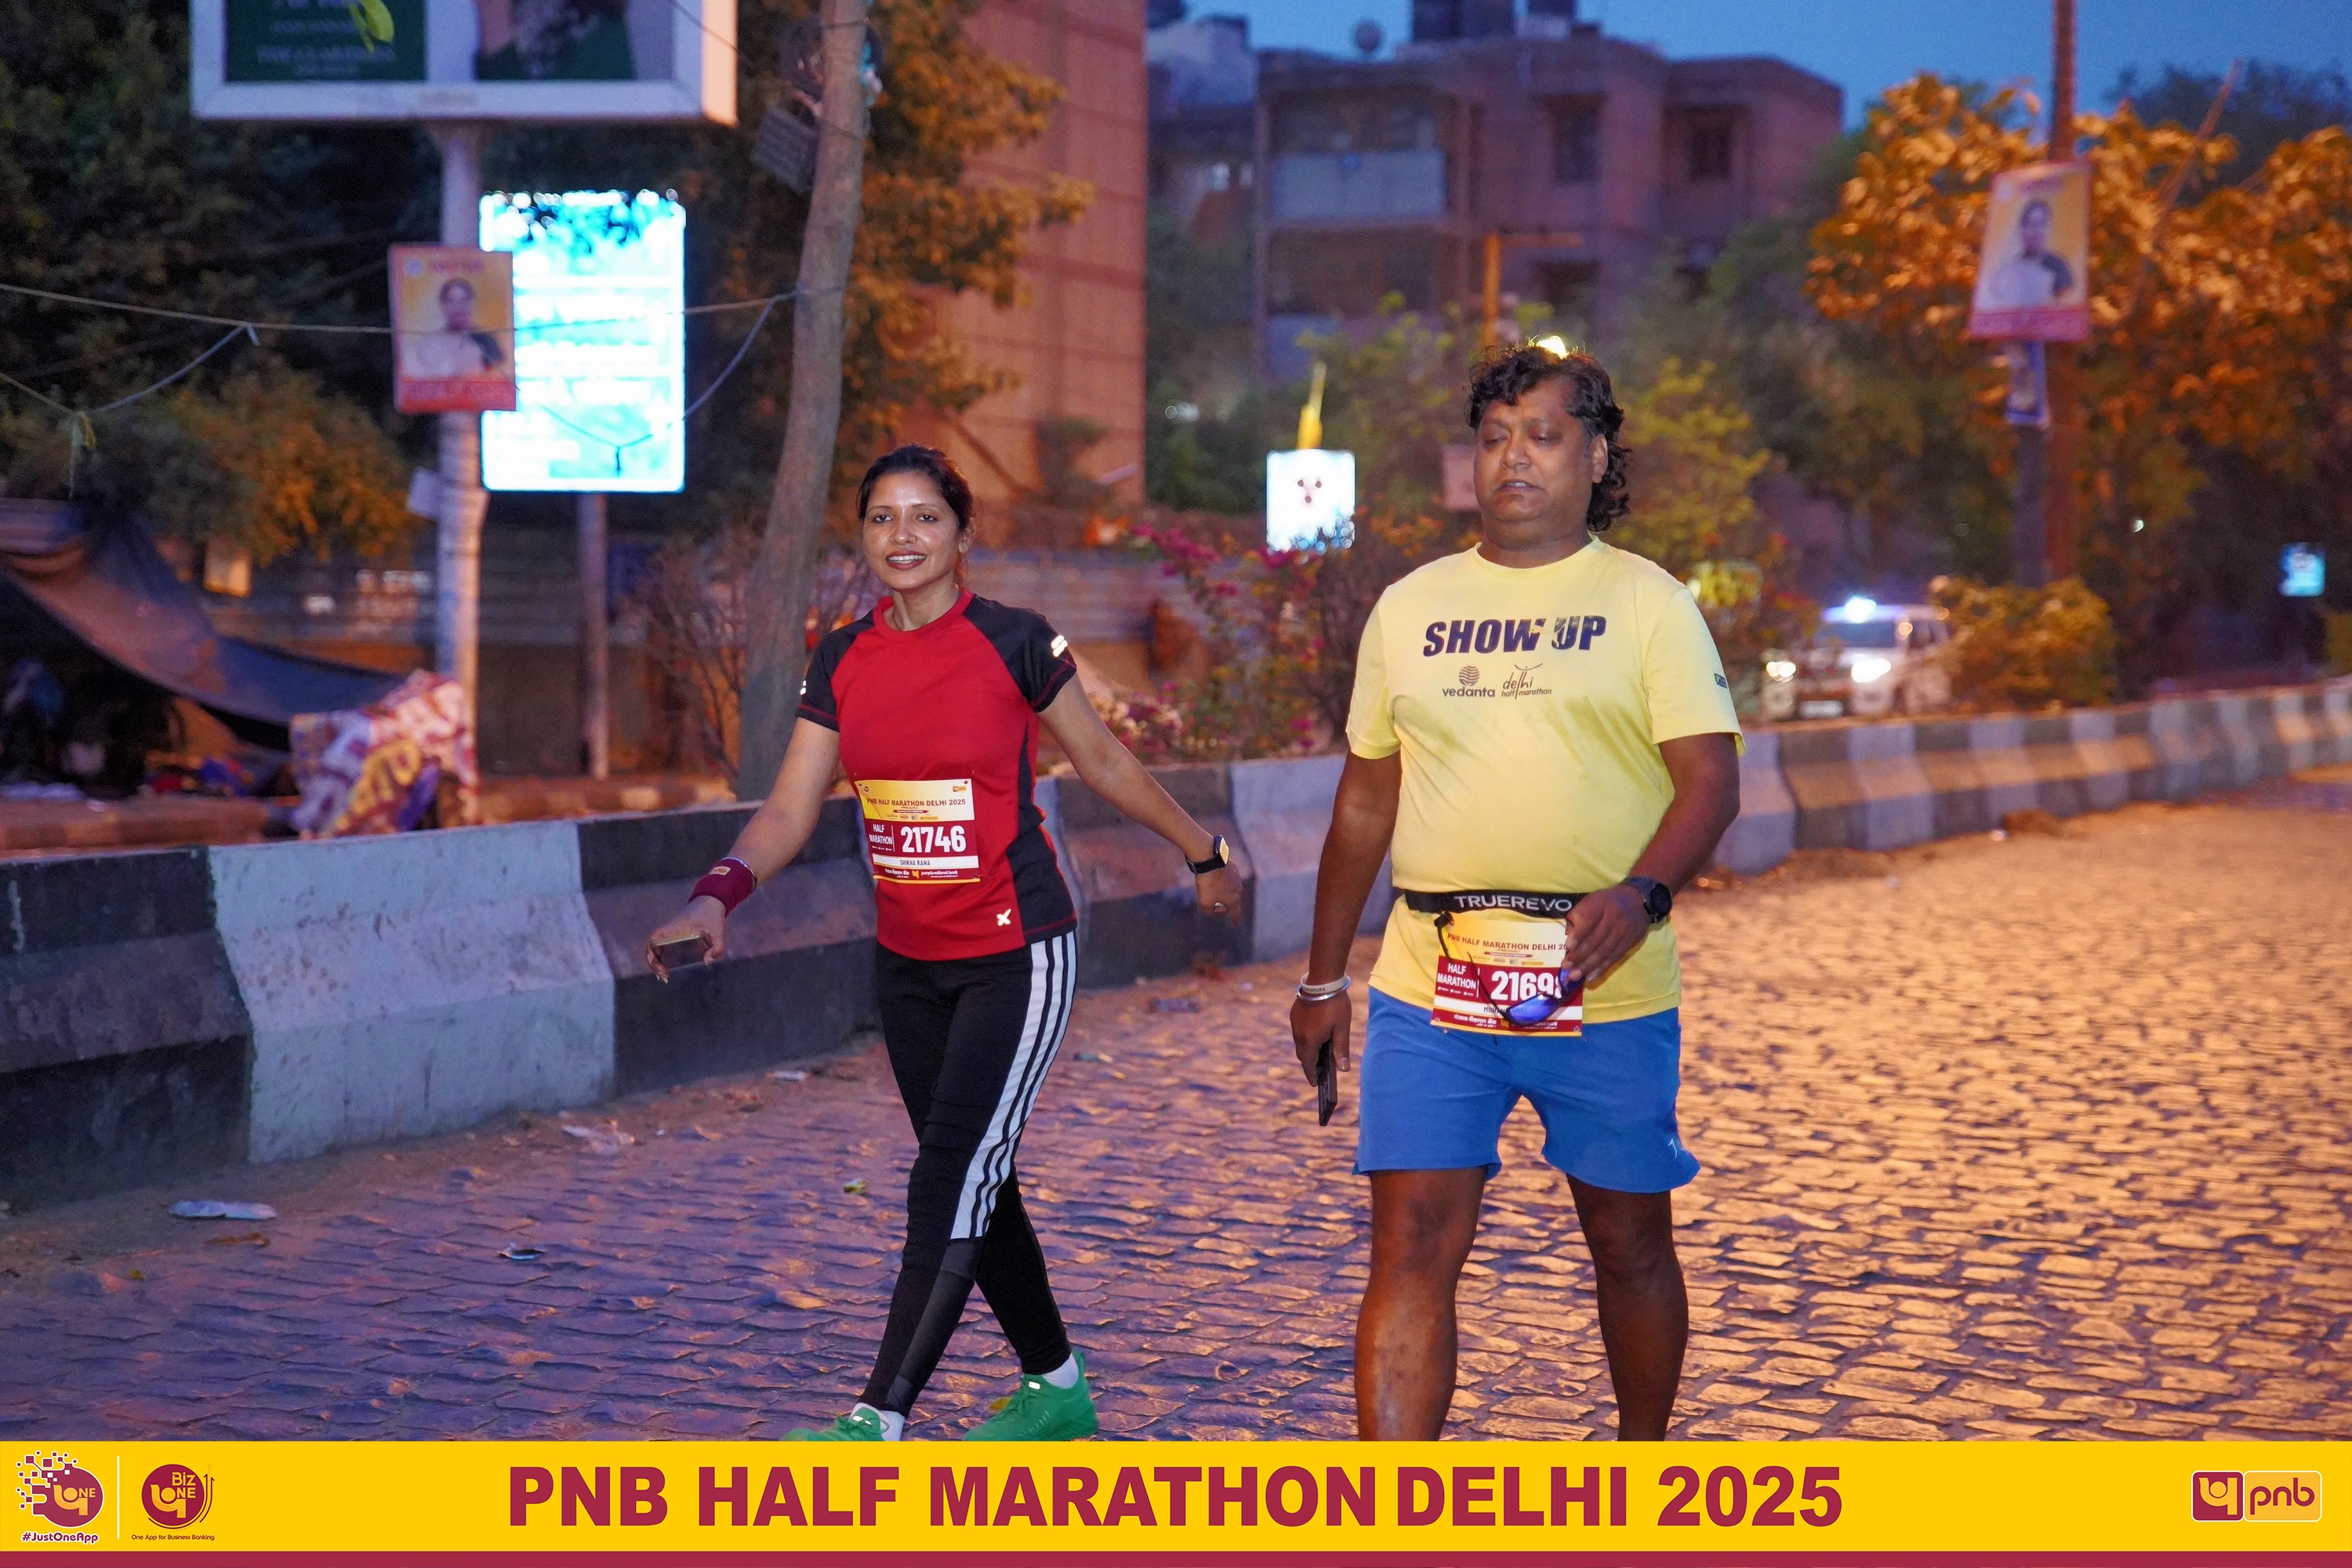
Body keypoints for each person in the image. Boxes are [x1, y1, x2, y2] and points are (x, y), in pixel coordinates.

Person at [648, 445, 1242, 1442]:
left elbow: (1101, 759)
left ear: (964, 534)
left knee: (948, 1176)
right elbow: (791, 806)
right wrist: (717, 898)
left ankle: (875, 1420)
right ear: (862, 536)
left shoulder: (1016, 640)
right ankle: (1057, 1388)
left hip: (1018, 951)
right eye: (882, 517)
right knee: (973, 1171)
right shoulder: (843, 657)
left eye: (925, 516)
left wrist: (1204, 851)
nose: (903, 535)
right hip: (910, 963)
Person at [1289, 344, 1742, 1441]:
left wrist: (1641, 896)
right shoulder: (1410, 607)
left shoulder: (1649, 604)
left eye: (1543, 435)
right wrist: (1321, 980)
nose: (1515, 458)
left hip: (1602, 976)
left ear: (1597, 456)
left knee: (1628, 1243)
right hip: (1434, 982)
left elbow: (1711, 782)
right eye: (1494, 437)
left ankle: (1641, 1471)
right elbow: (1365, 802)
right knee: (1409, 1246)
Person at [401, 278, 505, 380]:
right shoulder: (430, 344)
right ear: (443, 305)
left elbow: (496, 376)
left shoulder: (486, 340)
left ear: (471, 303)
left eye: (463, 300)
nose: (457, 307)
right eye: (451, 301)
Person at [1985, 197, 2075, 309]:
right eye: (2030, 223)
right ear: (2022, 229)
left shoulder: (2059, 267)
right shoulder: (2009, 270)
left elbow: (2065, 301)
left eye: (2041, 223)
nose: (2036, 230)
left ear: (2049, 227)